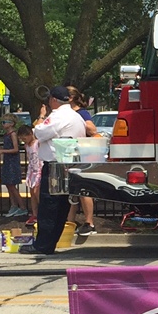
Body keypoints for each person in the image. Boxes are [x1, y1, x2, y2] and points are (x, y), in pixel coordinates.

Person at [28, 85, 85, 254]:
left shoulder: (58, 116)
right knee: (61, 207)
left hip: (55, 165)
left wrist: (41, 116)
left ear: (53, 100)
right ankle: (50, 243)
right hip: (70, 164)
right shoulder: (76, 116)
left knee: (49, 206)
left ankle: (43, 246)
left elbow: (39, 132)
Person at [67, 86, 98, 236]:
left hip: (81, 154)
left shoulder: (81, 113)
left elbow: (93, 130)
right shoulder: (66, 113)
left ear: (70, 98)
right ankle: (69, 222)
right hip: (68, 155)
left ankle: (89, 222)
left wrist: (78, 122)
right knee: (72, 190)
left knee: (83, 189)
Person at [0, 115, 26, 217]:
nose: (3, 124)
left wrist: (1, 151)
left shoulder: (13, 134)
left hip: (12, 162)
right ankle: (14, 205)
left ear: (11, 123)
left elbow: (16, 149)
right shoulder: (6, 135)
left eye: (5, 122)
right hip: (7, 161)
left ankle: (23, 207)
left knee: (12, 185)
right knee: (8, 184)